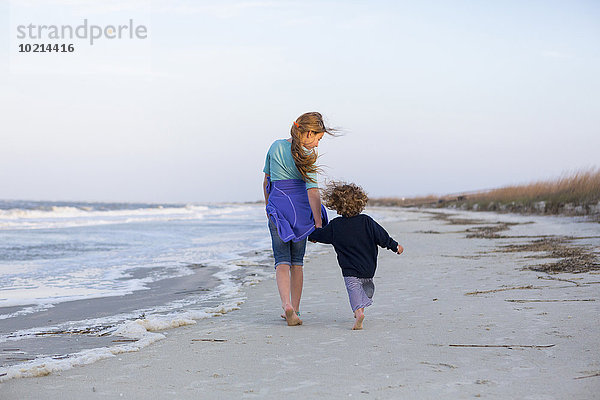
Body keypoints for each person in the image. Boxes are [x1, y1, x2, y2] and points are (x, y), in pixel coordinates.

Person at [263, 112, 334, 326]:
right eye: (318, 139)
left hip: (278, 207)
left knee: (281, 261)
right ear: (309, 133)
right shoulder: (307, 155)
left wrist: (269, 207)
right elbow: (312, 192)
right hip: (300, 211)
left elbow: (267, 181)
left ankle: (286, 305)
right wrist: (318, 223)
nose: (317, 145)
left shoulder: (275, 146)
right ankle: (296, 308)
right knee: (297, 263)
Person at [308, 181, 404, 330]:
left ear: (337, 205)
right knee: (366, 287)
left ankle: (358, 312)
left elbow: (321, 235)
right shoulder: (367, 221)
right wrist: (395, 246)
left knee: (353, 288)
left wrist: (312, 235)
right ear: (360, 202)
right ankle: (361, 310)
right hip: (368, 266)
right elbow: (382, 237)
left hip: (349, 269)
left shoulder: (336, 225)